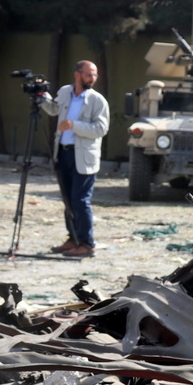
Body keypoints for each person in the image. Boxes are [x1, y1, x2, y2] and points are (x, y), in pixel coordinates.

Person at [41, 60, 109, 258]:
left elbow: (101, 129)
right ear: (77, 75)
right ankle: (73, 239)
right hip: (63, 153)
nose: (93, 78)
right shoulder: (64, 92)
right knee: (68, 201)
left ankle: (87, 244)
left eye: (95, 75)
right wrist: (42, 95)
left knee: (80, 201)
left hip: (84, 156)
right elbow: (53, 109)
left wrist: (74, 125)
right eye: (89, 74)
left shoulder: (97, 101)